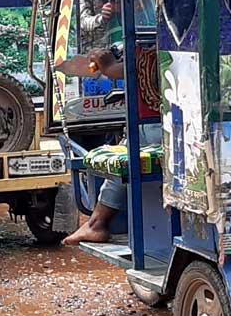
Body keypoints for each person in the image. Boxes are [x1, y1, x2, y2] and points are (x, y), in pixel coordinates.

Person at [61, 42, 160, 246]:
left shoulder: (164, 45)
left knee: (127, 150)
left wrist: (107, 65)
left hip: (163, 130)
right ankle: (96, 223)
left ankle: (97, 224)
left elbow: (124, 69)